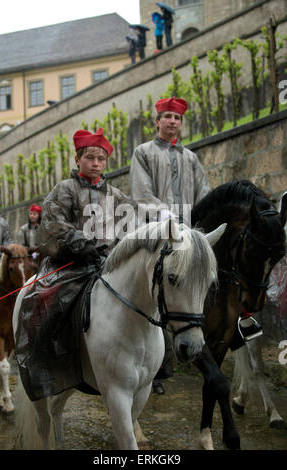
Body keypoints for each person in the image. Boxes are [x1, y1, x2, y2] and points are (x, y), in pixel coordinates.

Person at [15, 128, 135, 402]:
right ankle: (43, 365)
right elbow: (55, 223)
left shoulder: (117, 195)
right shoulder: (64, 190)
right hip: (70, 264)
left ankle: (156, 366)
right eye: (90, 157)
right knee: (44, 305)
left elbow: (131, 225)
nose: (96, 163)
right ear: (78, 159)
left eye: (101, 159)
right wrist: (82, 244)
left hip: (108, 263)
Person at [129, 96, 211, 394]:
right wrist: (165, 216)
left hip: (187, 233)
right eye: (167, 117)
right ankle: (156, 369)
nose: (172, 122)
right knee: (157, 295)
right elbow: (140, 192)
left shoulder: (190, 157)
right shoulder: (144, 153)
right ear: (158, 121)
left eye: (176, 118)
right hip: (156, 232)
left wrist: (203, 221)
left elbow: (204, 192)